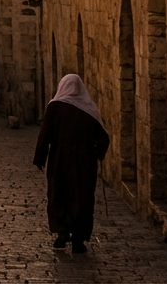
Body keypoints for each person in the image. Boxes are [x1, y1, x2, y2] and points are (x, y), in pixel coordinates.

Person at [34, 74, 110, 254]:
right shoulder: (89, 109)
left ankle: (61, 232)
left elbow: (45, 134)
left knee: (58, 192)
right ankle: (78, 239)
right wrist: (98, 154)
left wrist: (40, 158)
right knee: (81, 198)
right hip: (84, 162)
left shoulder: (55, 107)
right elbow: (103, 137)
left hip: (60, 159)